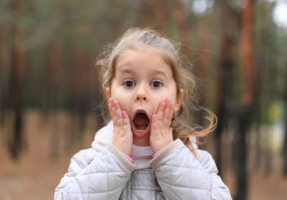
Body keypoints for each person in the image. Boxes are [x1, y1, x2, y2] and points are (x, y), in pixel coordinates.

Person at [54, 28, 232, 200]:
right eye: (129, 83)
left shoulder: (196, 160)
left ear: (177, 99)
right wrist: (115, 157)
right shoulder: (89, 160)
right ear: (109, 96)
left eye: (156, 84)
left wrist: (168, 155)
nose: (141, 93)